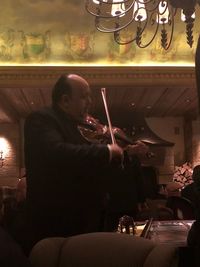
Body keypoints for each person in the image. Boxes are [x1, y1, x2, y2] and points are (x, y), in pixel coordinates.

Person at [24, 73, 149, 251]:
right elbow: (58, 153)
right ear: (65, 100)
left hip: (87, 222)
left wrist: (124, 155)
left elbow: (91, 164)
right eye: (84, 96)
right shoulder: (42, 119)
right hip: (58, 224)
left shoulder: (79, 127)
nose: (90, 102)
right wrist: (106, 150)